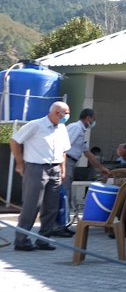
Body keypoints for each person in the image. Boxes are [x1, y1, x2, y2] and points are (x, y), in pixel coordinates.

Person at [9, 101, 71, 251]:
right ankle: (21, 240)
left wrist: (62, 170)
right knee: (32, 205)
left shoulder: (62, 128)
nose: (67, 116)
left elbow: (64, 151)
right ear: (57, 112)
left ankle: (44, 239)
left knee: (51, 207)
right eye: (66, 113)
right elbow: (15, 141)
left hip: (55, 168)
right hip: (36, 168)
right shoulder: (36, 125)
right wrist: (19, 163)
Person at [60, 108, 110, 234]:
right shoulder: (76, 128)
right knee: (64, 195)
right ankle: (61, 226)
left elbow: (87, 152)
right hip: (66, 161)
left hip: (70, 162)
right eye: (94, 119)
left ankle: (62, 225)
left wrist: (100, 168)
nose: (94, 122)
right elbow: (63, 148)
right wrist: (63, 167)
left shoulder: (81, 131)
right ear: (88, 118)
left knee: (66, 194)